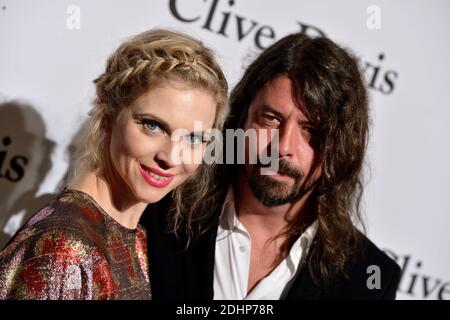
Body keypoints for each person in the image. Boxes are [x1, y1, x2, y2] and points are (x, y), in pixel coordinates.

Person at [143, 32, 401, 300]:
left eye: (311, 130)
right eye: (270, 119)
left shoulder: (369, 279)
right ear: (240, 117)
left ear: (342, 148)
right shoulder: (158, 210)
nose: (282, 147)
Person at [0, 29, 228, 299]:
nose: (170, 156)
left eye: (193, 138)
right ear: (108, 114)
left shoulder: (132, 236)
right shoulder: (66, 248)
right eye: (152, 126)